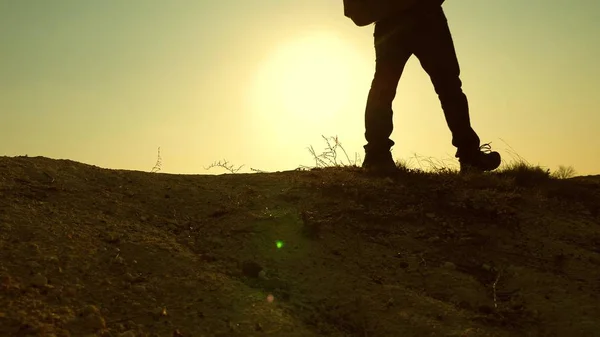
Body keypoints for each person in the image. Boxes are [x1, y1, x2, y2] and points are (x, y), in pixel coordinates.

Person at [361, 0, 501, 175]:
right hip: (419, 18)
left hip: (408, 19)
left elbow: (356, 13)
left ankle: (376, 155)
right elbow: (356, 14)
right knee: (447, 87)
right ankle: (469, 156)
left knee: (385, 88)